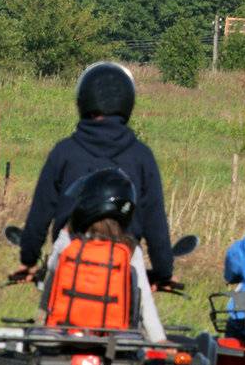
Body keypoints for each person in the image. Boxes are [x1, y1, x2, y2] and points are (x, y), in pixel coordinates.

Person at [13, 62, 175, 286]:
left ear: (83, 101)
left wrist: (28, 258)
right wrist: (164, 271)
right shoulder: (141, 156)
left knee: (49, 316)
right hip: (124, 259)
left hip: (68, 256)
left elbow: (41, 212)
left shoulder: (64, 152)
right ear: (127, 103)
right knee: (142, 318)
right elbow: (154, 220)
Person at [38, 167, 167, 343]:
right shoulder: (129, 249)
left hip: (63, 334)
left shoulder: (69, 242)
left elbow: (51, 274)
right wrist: (160, 341)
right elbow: (144, 300)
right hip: (113, 341)